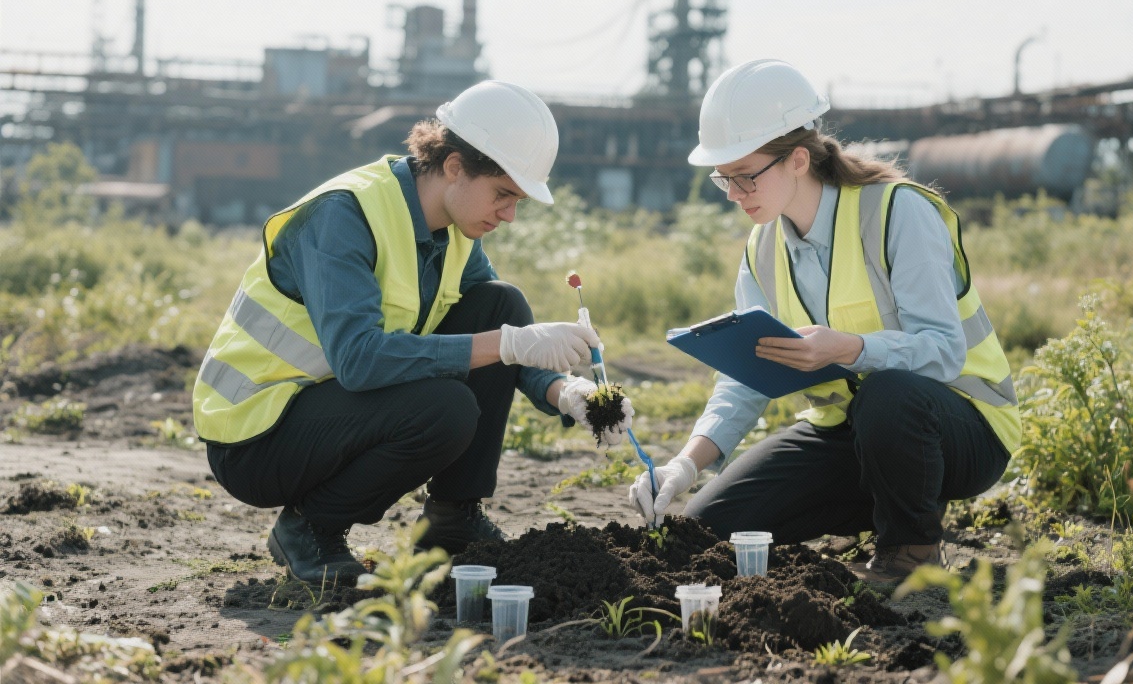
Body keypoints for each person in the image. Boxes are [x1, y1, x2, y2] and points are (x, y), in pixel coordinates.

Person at [193, 80, 633, 585]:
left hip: (327, 407)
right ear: (453, 166)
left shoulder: (454, 234)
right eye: (503, 194)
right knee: (445, 408)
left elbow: (496, 330)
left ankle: (452, 519)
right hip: (256, 434)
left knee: (500, 302)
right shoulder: (344, 216)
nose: (509, 214)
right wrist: (511, 342)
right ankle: (309, 529)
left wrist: (564, 391)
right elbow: (360, 361)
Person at [628, 59, 1019, 585]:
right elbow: (746, 377)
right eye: (724, 179)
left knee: (888, 396)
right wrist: (685, 464)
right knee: (707, 532)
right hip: (855, 435)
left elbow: (944, 351)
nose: (734, 194)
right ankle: (877, 504)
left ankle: (911, 550)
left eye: (745, 175)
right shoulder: (762, 248)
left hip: (964, 428)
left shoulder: (895, 211)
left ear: (796, 160)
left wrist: (848, 349)